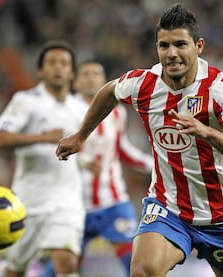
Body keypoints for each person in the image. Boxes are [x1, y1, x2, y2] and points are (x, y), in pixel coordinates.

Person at [56, 4, 223, 277]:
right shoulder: (144, 84)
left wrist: (207, 132)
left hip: (222, 216)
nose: (172, 53)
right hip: (168, 207)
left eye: (180, 44)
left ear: (198, 46)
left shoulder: (220, 89)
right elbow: (110, 91)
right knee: (142, 271)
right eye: (164, 45)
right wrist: (81, 136)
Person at [41, 61, 154, 277]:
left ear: (104, 82)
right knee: (62, 268)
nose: (91, 78)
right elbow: (49, 150)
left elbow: (122, 148)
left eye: (96, 74)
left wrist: (154, 164)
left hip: (113, 202)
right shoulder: (62, 110)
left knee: (134, 259)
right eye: (86, 74)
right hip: (75, 205)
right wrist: (83, 162)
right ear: (76, 81)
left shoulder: (117, 113)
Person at [0, 40, 86, 277]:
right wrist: (41, 138)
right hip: (30, 201)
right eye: (51, 63)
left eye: (64, 63)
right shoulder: (26, 101)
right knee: (16, 269)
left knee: (67, 262)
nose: (58, 68)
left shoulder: (80, 108)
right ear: (40, 70)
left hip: (67, 200)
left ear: (72, 72)